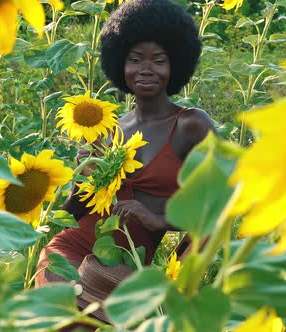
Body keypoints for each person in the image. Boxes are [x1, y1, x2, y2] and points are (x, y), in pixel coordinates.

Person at [35, 0, 213, 312]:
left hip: (122, 270)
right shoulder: (106, 129)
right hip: (71, 250)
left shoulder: (191, 125)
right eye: (134, 59)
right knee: (61, 319)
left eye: (159, 60)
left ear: (176, 66)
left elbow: (217, 207)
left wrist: (158, 221)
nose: (146, 69)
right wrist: (82, 177)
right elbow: (75, 211)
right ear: (120, 64)